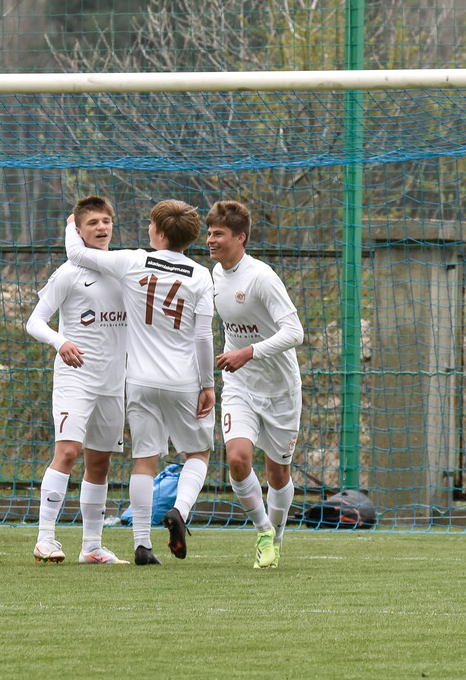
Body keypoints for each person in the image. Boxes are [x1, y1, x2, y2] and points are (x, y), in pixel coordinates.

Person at [65, 199, 215, 565]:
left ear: (159, 234)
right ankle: (180, 510)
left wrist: (73, 224)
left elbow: (76, 253)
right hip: (183, 380)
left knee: (144, 461)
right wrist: (208, 384)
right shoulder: (200, 275)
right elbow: (203, 338)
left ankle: (142, 545)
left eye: (151, 224)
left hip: (140, 380)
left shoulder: (131, 260)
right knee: (198, 453)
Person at [25, 196, 128, 565]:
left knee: (99, 463)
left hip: (114, 382)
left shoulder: (123, 269)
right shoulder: (69, 272)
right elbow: (34, 321)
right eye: (93, 223)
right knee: (68, 451)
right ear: (79, 230)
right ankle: (45, 538)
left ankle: (92, 545)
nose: (101, 228)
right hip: (76, 378)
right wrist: (61, 341)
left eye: (106, 221)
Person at [206, 201, 304, 569]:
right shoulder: (213, 276)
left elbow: (296, 333)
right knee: (236, 458)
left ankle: (276, 537)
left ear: (240, 237)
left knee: (278, 473)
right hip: (239, 384)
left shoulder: (261, 277)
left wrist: (249, 351)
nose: (210, 240)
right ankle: (263, 530)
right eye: (210, 232)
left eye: (218, 234)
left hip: (280, 388)